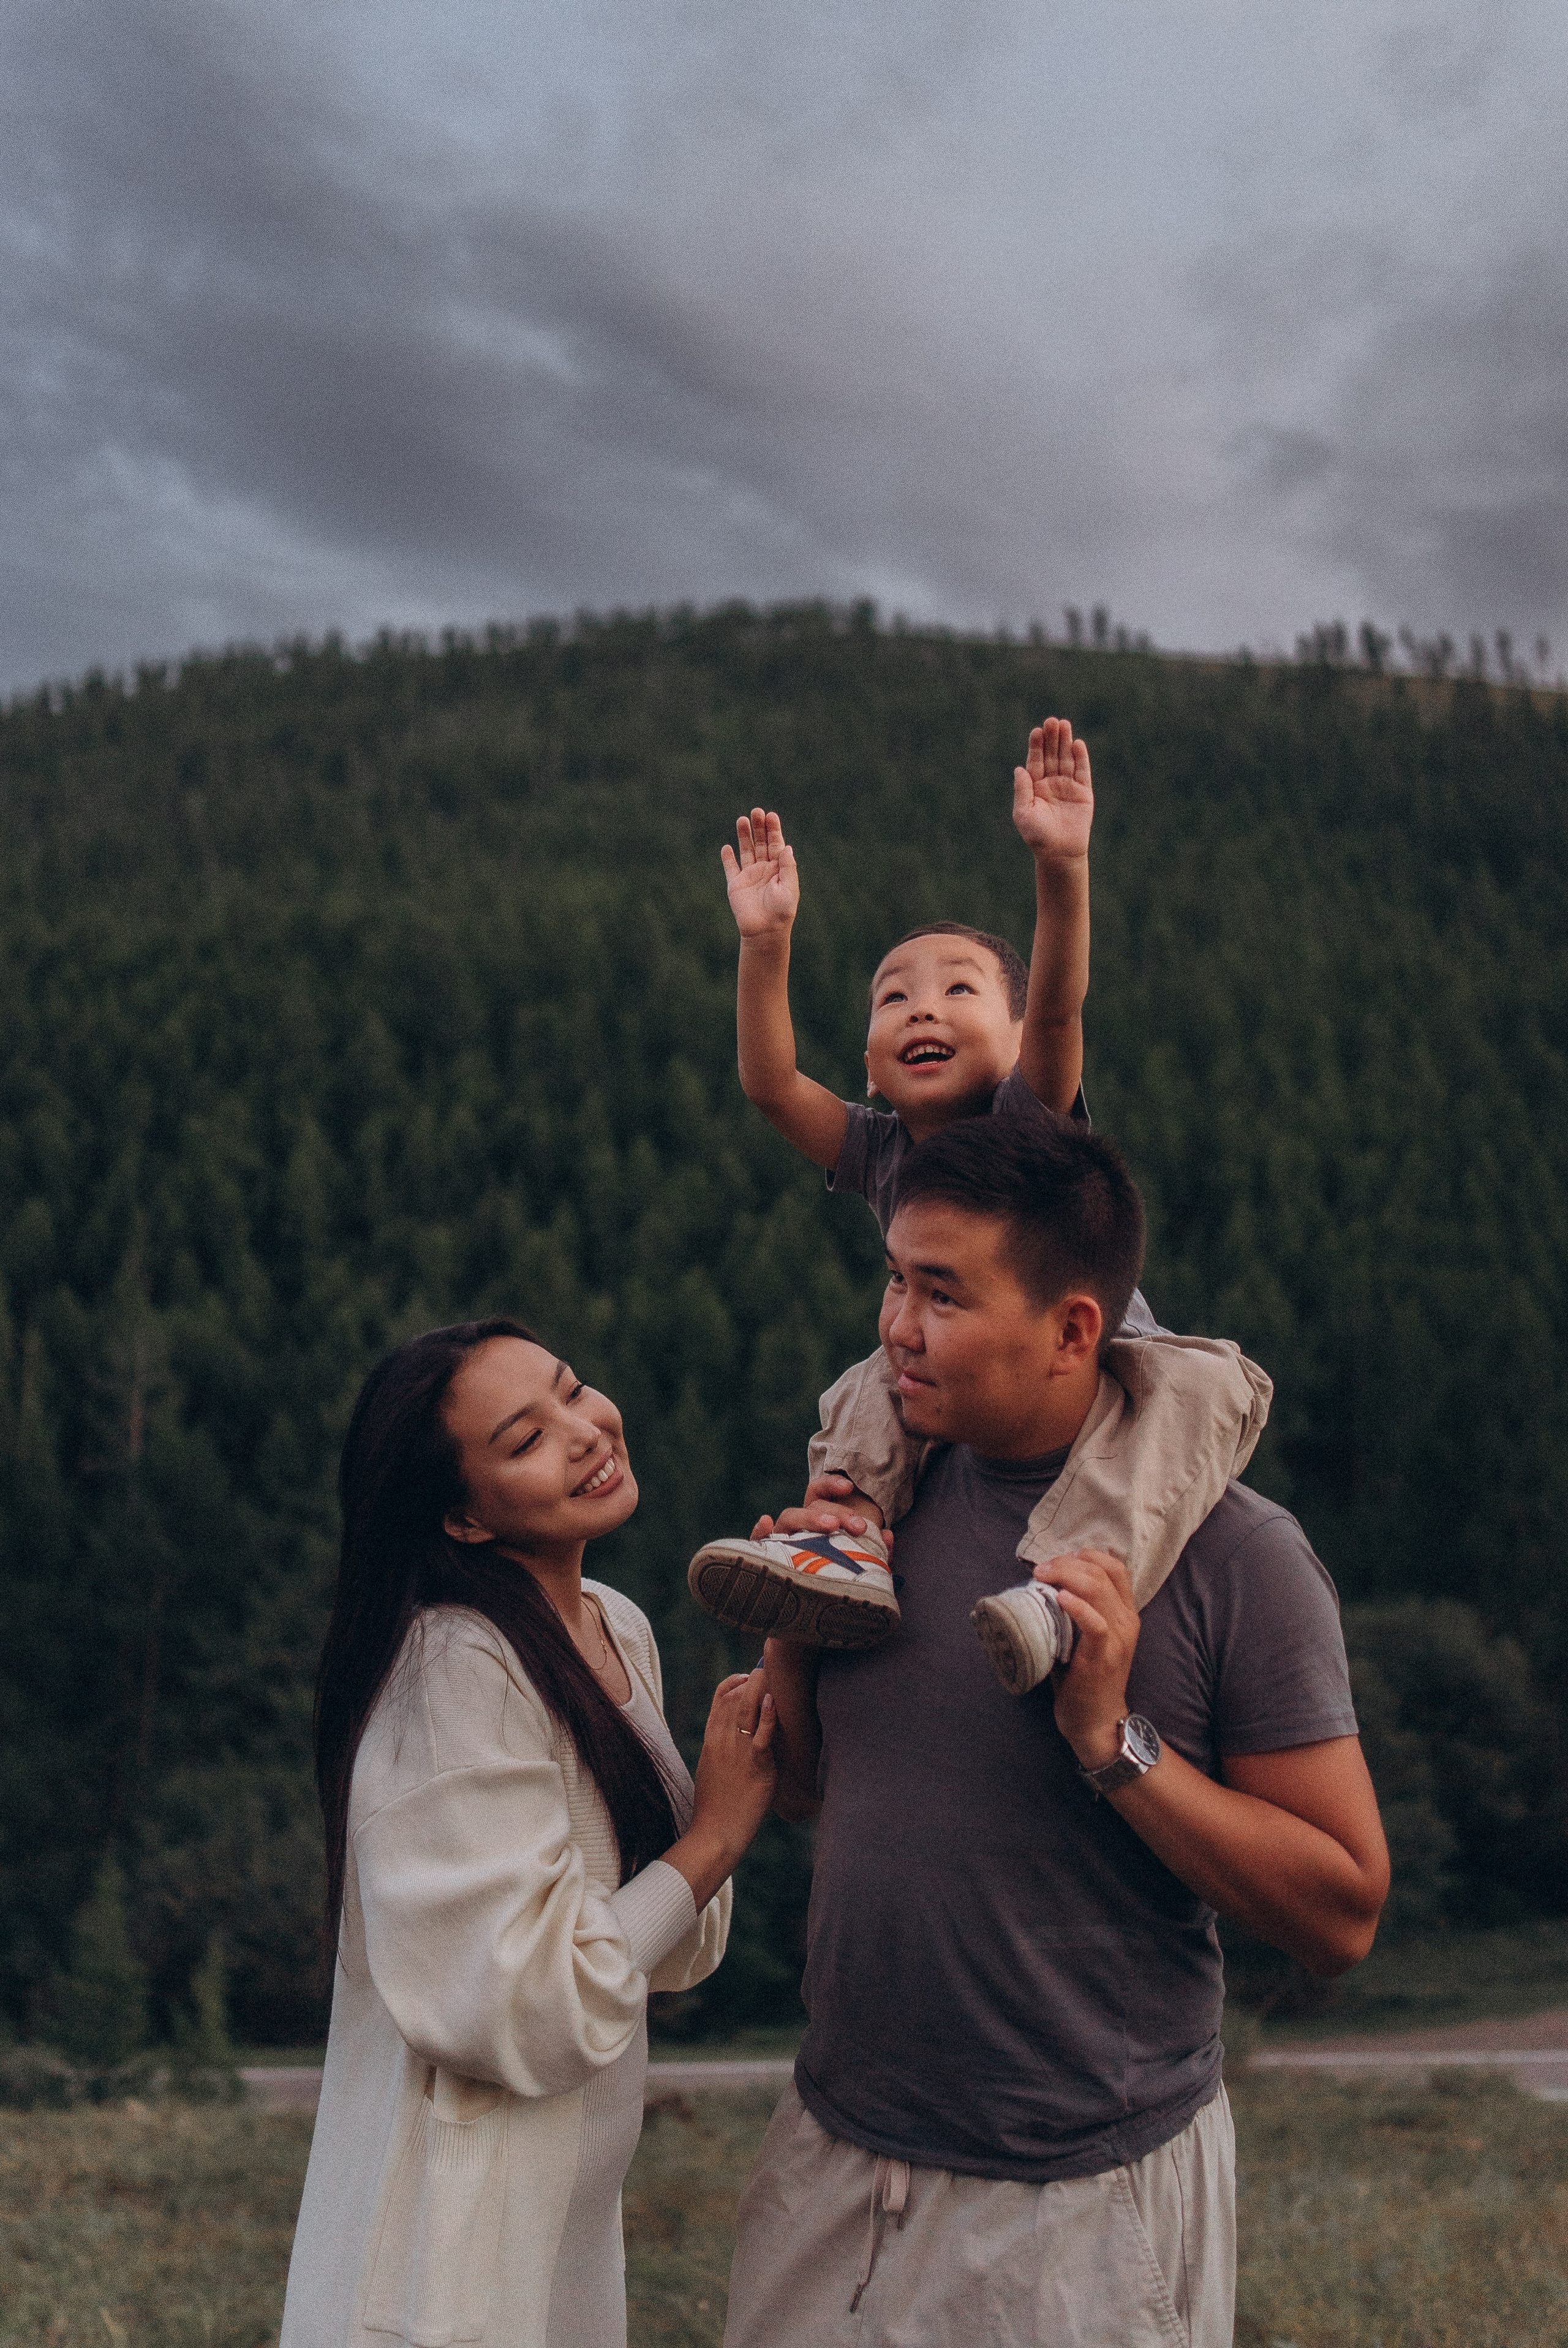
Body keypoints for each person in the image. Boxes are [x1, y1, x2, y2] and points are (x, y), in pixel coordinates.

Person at [725, 1118, 1390, 2347]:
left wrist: (1109, 1740)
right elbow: (825, 1794)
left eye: (942, 1294)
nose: (895, 1328)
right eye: (891, 1279)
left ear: (1073, 1328)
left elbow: (1340, 1913)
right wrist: (791, 1641)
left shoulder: (1238, 1558)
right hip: (831, 2160)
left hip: (1081, 2202)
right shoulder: (879, 1502)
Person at [687, 720, 1270, 1686]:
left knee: (1205, 1391)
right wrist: (766, 942)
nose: (922, 1007)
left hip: (1094, 1357)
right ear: (870, 1063)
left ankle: (1069, 1590)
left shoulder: (1027, 1112)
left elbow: (1057, 1006)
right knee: (868, 1386)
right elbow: (769, 1083)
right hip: (961, 1357)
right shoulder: (878, 1147)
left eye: (960, 989)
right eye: (893, 998)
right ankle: (848, 1540)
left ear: (1009, 1036)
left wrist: (1063, 864)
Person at [279, 1317, 777, 2348]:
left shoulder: (611, 1623)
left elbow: (676, 1947)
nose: (586, 1429)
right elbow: (525, 2004)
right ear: (463, 1516)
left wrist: (798, 1633)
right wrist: (714, 1839)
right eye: (525, 1438)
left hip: (560, 2228)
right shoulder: (450, 1671)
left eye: (572, 1388)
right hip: (442, 2257)